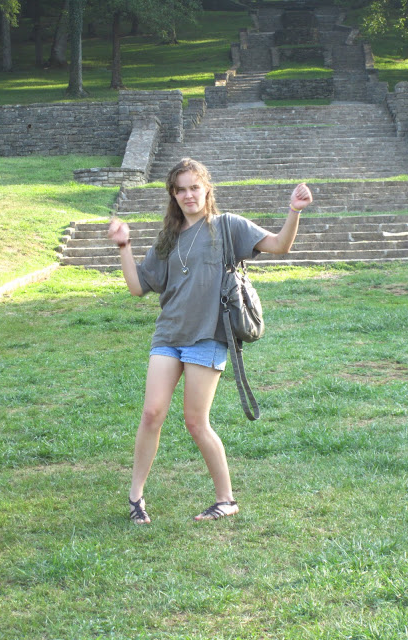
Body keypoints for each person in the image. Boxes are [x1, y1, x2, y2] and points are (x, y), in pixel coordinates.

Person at [108, 158, 313, 523]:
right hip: (169, 334)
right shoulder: (167, 239)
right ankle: (135, 497)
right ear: (173, 195)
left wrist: (293, 211)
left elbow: (280, 245)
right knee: (151, 413)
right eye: (181, 189)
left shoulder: (228, 226)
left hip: (208, 335)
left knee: (195, 422)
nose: (189, 195)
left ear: (206, 189)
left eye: (195, 187)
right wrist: (124, 246)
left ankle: (226, 499)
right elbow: (137, 287)